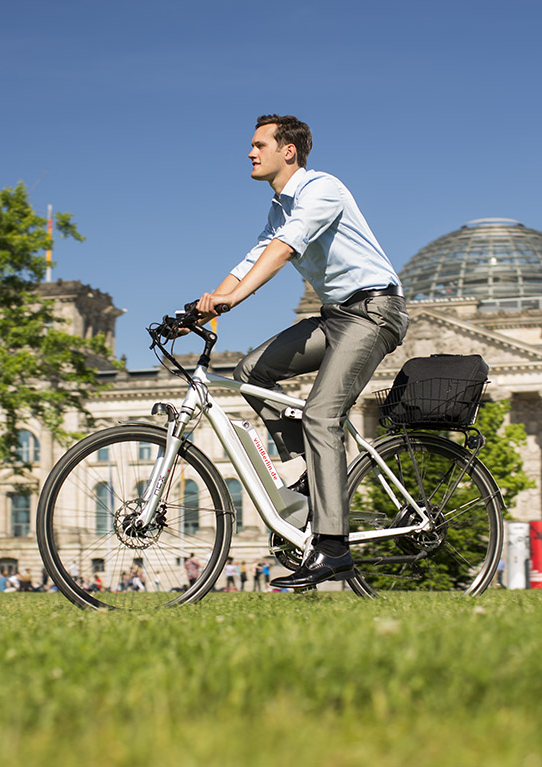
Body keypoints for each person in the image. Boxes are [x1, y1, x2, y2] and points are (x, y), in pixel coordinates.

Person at [195, 114, 408, 590]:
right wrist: (202, 305)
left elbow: (285, 250)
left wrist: (234, 299)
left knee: (320, 415)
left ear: (287, 150)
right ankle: (311, 471)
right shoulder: (278, 208)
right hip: (336, 317)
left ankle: (334, 548)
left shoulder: (321, 189)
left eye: (258, 144)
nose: (250, 153)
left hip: (374, 312)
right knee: (251, 370)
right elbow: (252, 258)